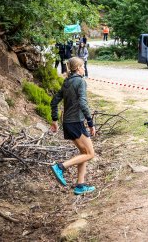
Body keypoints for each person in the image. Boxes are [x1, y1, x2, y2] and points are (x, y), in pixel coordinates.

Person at [50, 57, 96, 195]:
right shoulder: (80, 81)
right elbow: (83, 103)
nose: (84, 68)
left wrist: (54, 119)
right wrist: (90, 123)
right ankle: (60, 167)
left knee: (84, 153)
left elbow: (54, 102)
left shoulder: (67, 82)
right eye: (82, 66)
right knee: (90, 154)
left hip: (68, 123)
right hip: (76, 123)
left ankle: (80, 186)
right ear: (77, 68)